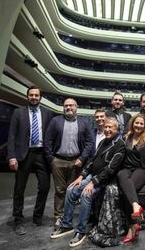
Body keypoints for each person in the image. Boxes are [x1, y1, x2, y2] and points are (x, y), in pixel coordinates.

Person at [50, 117, 126, 248]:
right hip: (91, 176)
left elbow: (110, 169)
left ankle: (81, 231)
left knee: (86, 194)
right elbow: (91, 161)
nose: (107, 130)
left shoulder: (120, 145)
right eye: (106, 127)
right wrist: (81, 176)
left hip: (104, 180)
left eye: (110, 127)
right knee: (70, 189)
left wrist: (93, 183)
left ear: (117, 129)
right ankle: (66, 225)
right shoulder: (103, 142)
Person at [7, 86, 53, 235]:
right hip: (23, 154)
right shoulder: (18, 112)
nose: (34, 97)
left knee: (45, 187)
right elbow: (12, 135)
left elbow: (50, 136)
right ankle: (18, 220)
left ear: (40, 97)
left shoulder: (47, 113)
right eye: (31, 95)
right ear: (27, 97)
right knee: (19, 189)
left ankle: (37, 217)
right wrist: (12, 156)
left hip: (41, 154)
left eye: (36, 95)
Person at [44, 98, 94, 229]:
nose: (68, 107)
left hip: (76, 162)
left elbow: (90, 143)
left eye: (71, 105)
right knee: (60, 190)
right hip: (58, 161)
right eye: (66, 105)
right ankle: (59, 217)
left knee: (71, 191)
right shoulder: (55, 121)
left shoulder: (83, 123)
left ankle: (68, 217)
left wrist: (82, 159)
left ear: (76, 107)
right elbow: (47, 141)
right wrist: (51, 159)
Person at [117, 114, 145, 243]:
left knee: (127, 190)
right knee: (121, 175)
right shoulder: (126, 137)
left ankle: (131, 228)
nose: (139, 125)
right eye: (137, 123)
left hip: (140, 169)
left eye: (141, 123)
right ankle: (136, 207)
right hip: (126, 168)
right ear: (132, 123)